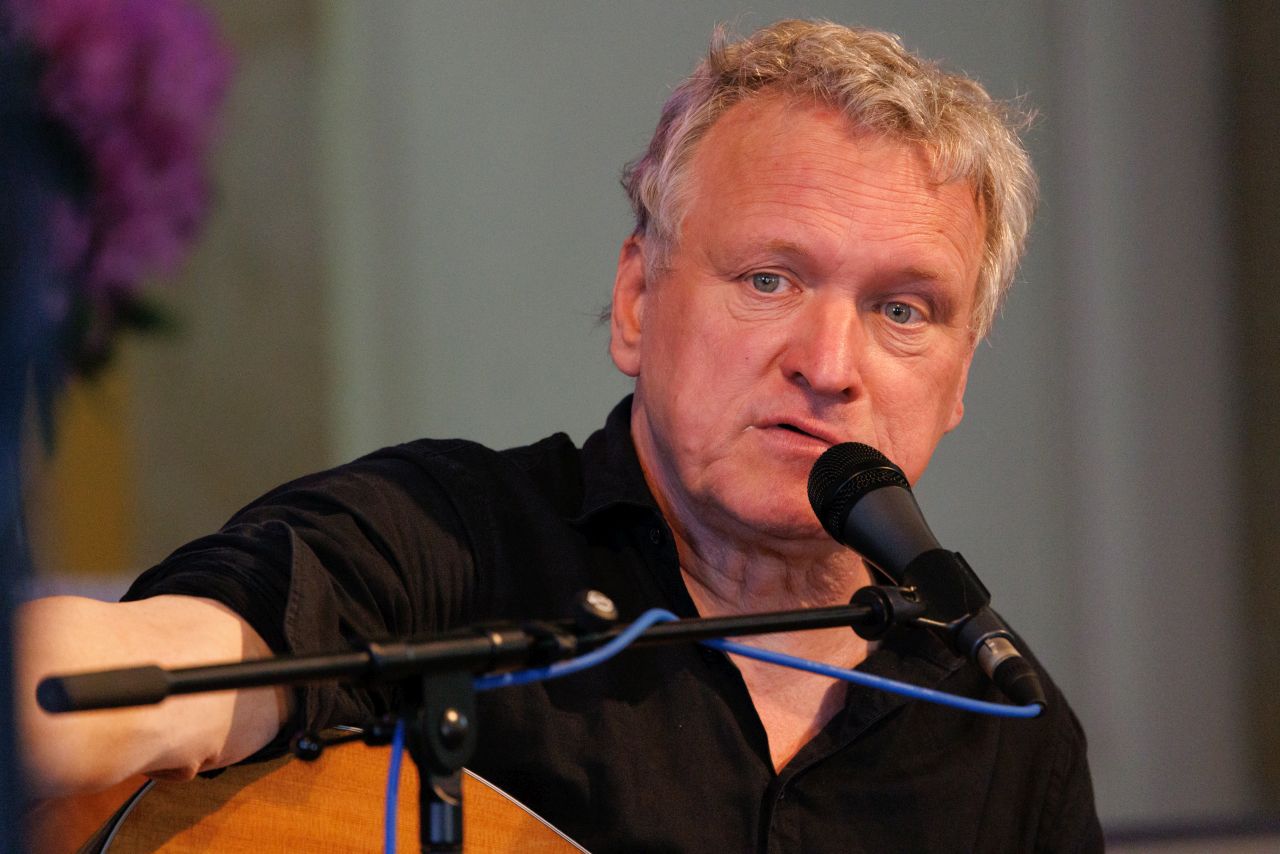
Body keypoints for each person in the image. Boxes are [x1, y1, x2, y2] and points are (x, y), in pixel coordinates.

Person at [19, 19, 1102, 852]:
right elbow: (147, 672)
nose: (828, 362)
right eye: (768, 279)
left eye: (903, 309)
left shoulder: (1003, 727)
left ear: (958, 379)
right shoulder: (444, 542)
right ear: (636, 299)